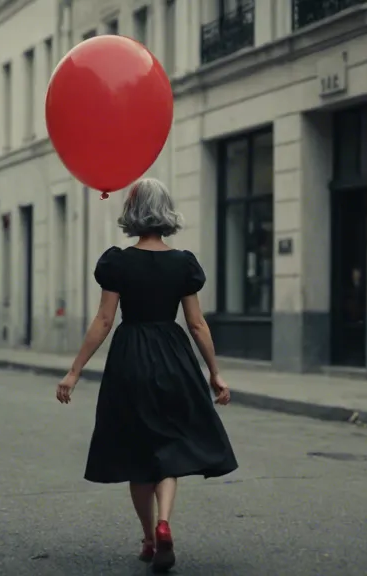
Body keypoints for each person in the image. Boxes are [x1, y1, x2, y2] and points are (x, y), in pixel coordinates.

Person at [55, 178, 237, 573]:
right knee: (169, 445)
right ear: (167, 210)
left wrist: (74, 371)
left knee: (138, 454)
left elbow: (104, 320)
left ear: (133, 212)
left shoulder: (117, 262)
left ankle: (150, 539)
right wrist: (215, 373)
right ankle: (165, 521)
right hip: (173, 357)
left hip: (131, 358)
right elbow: (197, 324)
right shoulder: (184, 263)